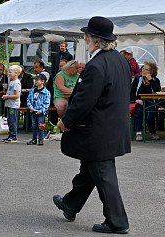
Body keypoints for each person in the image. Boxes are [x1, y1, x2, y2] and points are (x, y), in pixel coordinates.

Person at [54, 16, 131, 234]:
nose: (84, 39)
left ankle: (117, 222)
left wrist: (66, 121)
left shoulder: (96, 65)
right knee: (90, 169)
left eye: (86, 36)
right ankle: (70, 204)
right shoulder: (119, 60)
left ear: (96, 41)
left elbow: (84, 100)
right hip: (111, 127)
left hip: (97, 130)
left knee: (104, 175)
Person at [130, 61, 161, 141]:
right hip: (139, 102)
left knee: (151, 116)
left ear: (151, 72)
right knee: (138, 113)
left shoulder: (155, 80)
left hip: (151, 103)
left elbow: (157, 91)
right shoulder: (138, 79)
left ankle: (153, 132)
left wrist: (150, 79)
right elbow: (131, 92)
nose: (143, 70)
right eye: (142, 68)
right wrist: (137, 99)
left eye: (146, 69)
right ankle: (139, 133)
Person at [26, 74, 51, 145]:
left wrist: (41, 110)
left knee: (41, 125)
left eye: (37, 80)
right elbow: (28, 99)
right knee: (34, 126)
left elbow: (47, 103)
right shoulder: (32, 91)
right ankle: (34, 139)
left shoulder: (46, 92)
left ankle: (40, 139)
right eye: (35, 80)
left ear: (43, 81)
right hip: (33, 111)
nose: (35, 81)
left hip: (40, 112)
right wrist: (30, 106)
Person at [2, 65, 22, 143]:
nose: (8, 74)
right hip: (9, 104)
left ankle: (13, 136)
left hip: (13, 105)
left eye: (10, 72)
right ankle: (10, 135)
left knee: (12, 120)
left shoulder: (16, 83)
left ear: (16, 73)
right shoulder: (12, 82)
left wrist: (7, 96)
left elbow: (17, 95)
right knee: (9, 120)